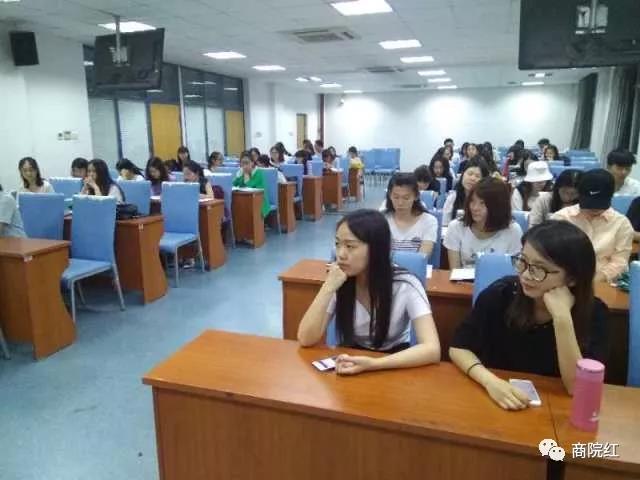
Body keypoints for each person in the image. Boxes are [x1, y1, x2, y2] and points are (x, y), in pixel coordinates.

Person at [449, 220, 609, 409]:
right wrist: (490, 382)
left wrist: (562, 318)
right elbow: (459, 347)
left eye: (539, 269)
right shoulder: (501, 294)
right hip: (498, 400)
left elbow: (577, 388)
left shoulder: (594, 313)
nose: (525, 275)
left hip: (557, 408)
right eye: (522, 261)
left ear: (572, 278)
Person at [297, 209, 441, 374]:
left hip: (393, 361)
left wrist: (373, 364)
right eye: (337, 244)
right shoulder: (339, 279)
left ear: (376, 249)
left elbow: (432, 349)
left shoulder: (405, 284)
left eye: (350, 246)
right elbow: (305, 338)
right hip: (350, 358)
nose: (341, 254)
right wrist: (328, 287)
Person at [552, 169, 633, 283]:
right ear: (579, 194)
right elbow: (551, 255)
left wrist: (591, 281)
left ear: (611, 196)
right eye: (589, 203)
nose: (594, 209)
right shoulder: (561, 218)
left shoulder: (622, 224)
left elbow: (619, 262)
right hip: (564, 280)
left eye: (599, 204)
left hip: (603, 283)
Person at [444, 177, 522, 268]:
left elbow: (514, 271)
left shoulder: (513, 231)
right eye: (472, 201)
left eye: (482, 203)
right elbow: (455, 271)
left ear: (498, 206)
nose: (475, 208)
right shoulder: (456, 227)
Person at [382, 173, 438, 257]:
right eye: (396, 197)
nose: (400, 203)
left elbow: (422, 257)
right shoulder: (382, 220)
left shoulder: (429, 221)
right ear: (390, 195)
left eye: (406, 198)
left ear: (416, 196)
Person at [442, 157, 490, 226]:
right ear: (463, 174)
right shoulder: (453, 197)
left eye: (477, 176)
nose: (472, 178)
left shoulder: (487, 201)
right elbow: (445, 224)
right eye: (469, 174)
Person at [232, 151, 270, 218]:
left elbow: (249, 188)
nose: (244, 166)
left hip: (259, 201)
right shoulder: (241, 172)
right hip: (245, 200)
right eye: (242, 163)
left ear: (252, 163)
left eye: (247, 163)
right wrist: (238, 176)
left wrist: (246, 176)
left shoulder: (258, 173)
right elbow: (233, 184)